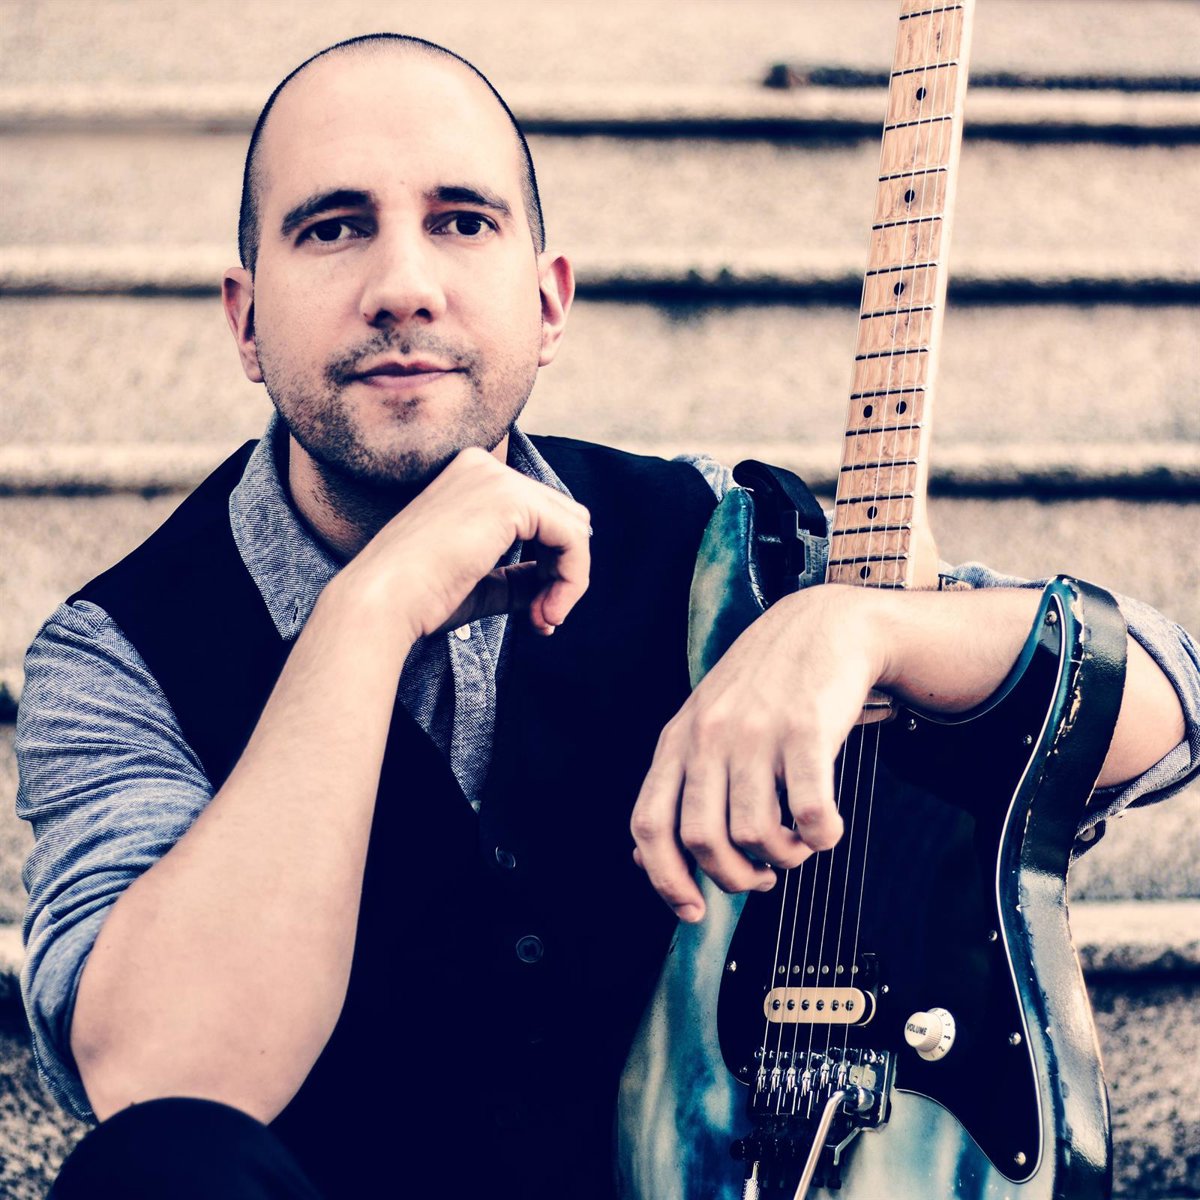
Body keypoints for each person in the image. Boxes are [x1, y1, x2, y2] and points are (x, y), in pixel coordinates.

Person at [16, 33, 1197, 1200]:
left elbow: (1164, 704)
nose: (403, 286)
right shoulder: (120, 653)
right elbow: (168, 1079)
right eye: (332, 228)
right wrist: (368, 611)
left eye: (461, 221)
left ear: (549, 304)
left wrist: (861, 631)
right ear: (245, 321)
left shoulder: (712, 546)